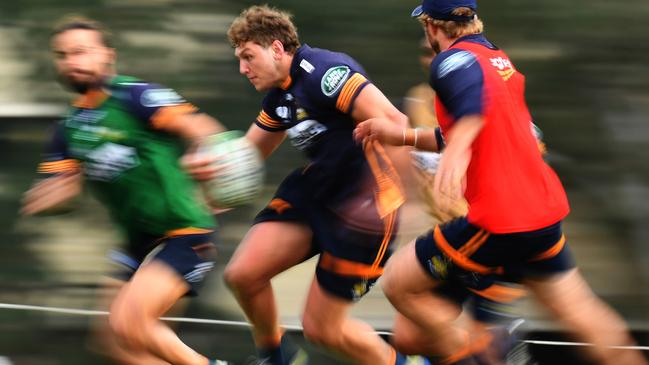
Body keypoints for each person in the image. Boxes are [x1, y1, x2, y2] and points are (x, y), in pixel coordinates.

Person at [353, 1, 648, 364]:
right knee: (582, 313)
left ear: (431, 26)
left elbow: (471, 112)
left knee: (398, 284)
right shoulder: (496, 58)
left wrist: (459, 151)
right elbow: (471, 121)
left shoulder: (450, 61)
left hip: (499, 220)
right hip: (542, 213)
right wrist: (404, 137)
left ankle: (491, 353)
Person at [195, 5, 418, 365]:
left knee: (322, 330)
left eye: (248, 57)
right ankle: (277, 358)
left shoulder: (326, 73)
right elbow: (247, 156)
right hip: (315, 195)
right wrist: (208, 174)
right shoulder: (279, 97)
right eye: (239, 59)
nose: (243, 68)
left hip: (365, 211)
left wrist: (396, 199)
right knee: (243, 275)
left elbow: (395, 121)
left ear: (278, 49)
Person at [21, 15, 231, 365]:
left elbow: (202, 128)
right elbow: (63, 194)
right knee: (113, 341)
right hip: (137, 241)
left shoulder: (136, 97)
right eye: (63, 55)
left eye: (81, 52)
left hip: (184, 230)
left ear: (108, 56)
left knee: (131, 321)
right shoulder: (67, 129)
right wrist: (50, 200)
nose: (72, 62)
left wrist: (203, 156)